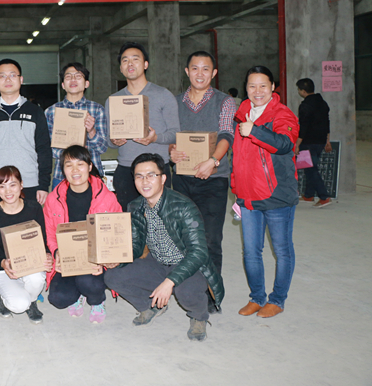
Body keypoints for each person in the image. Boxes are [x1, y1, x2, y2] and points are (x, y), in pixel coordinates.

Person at [104, 153, 224, 341]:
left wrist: (170, 282)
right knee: (113, 277)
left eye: (151, 175)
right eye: (139, 176)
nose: (145, 181)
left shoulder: (183, 206)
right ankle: (150, 306)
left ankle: (199, 316)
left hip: (187, 263)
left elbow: (198, 252)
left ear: (163, 178)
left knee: (186, 292)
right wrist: (119, 260)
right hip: (157, 261)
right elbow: (136, 246)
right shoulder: (135, 206)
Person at [232, 66, 299, 319]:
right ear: (246, 88)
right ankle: (257, 297)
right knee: (251, 251)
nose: (257, 91)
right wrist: (237, 189)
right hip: (249, 196)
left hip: (277, 195)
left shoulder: (282, 114)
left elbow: (285, 144)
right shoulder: (242, 114)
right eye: (252, 86)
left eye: (263, 85)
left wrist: (255, 131)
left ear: (272, 87)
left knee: (282, 250)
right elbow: (239, 157)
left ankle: (277, 299)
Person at [168, 52, 236, 279]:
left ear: (214, 73)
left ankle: (212, 292)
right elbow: (171, 137)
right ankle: (188, 288)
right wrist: (171, 151)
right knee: (182, 236)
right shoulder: (175, 102)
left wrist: (213, 160)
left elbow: (226, 134)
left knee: (210, 239)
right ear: (187, 72)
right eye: (195, 68)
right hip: (182, 179)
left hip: (214, 180)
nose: (200, 73)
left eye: (205, 69)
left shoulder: (224, 101)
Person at [43, 145, 121, 323]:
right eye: (69, 165)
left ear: (90, 166)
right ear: (63, 170)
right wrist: (57, 253)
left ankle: (97, 301)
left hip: (96, 259)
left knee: (89, 283)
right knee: (58, 298)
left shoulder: (107, 197)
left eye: (80, 164)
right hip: (69, 258)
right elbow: (49, 232)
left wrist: (105, 260)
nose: (75, 170)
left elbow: (117, 233)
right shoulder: (53, 198)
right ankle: (78, 295)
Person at [104, 42, 180, 210]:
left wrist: (155, 138)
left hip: (156, 169)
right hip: (126, 169)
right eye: (125, 60)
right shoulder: (113, 100)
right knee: (129, 221)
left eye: (135, 59)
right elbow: (108, 140)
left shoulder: (163, 95)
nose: (130, 64)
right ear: (121, 68)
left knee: (159, 219)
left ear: (145, 64)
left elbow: (175, 133)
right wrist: (114, 140)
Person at [0, 59, 52, 207]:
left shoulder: (35, 112)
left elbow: (44, 150)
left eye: (12, 75)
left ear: (21, 79)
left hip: (29, 184)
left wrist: (43, 185)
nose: (8, 79)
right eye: (2, 76)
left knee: (30, 223)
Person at [0, 165, 52, 324]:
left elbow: (42, 240)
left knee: (37, 279)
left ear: (21, 185)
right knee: (19, 306)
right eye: (2, 186)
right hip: (4, 269)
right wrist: (2, 263)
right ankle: (5, 299)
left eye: (12, 185)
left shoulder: (34, 208)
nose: (8, 191)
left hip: (31, 264)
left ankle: (32, 301)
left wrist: (47, 254)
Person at [45, 62, 109, 191]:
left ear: (86, 84)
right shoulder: (51, 112)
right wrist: (75, 153)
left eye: (78, 76)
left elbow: (102, 148)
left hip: (92, 175)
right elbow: (47, 147)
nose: (73, 79)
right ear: (63, 85)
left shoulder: (97, 110)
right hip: (62, 175)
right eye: (68, 77)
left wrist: (91, 131)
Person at [295, 78, 332, 207]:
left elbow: (303, 127)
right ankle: (309, 195)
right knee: (310, 167)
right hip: (321, 141)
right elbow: (327, 123)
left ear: (303, 91)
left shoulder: (305, 105)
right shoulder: (323, 103)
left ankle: (324, 196)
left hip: (308, 141)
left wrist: (297, 144)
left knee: (311, 169)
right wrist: (327, 140)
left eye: (299, 89)